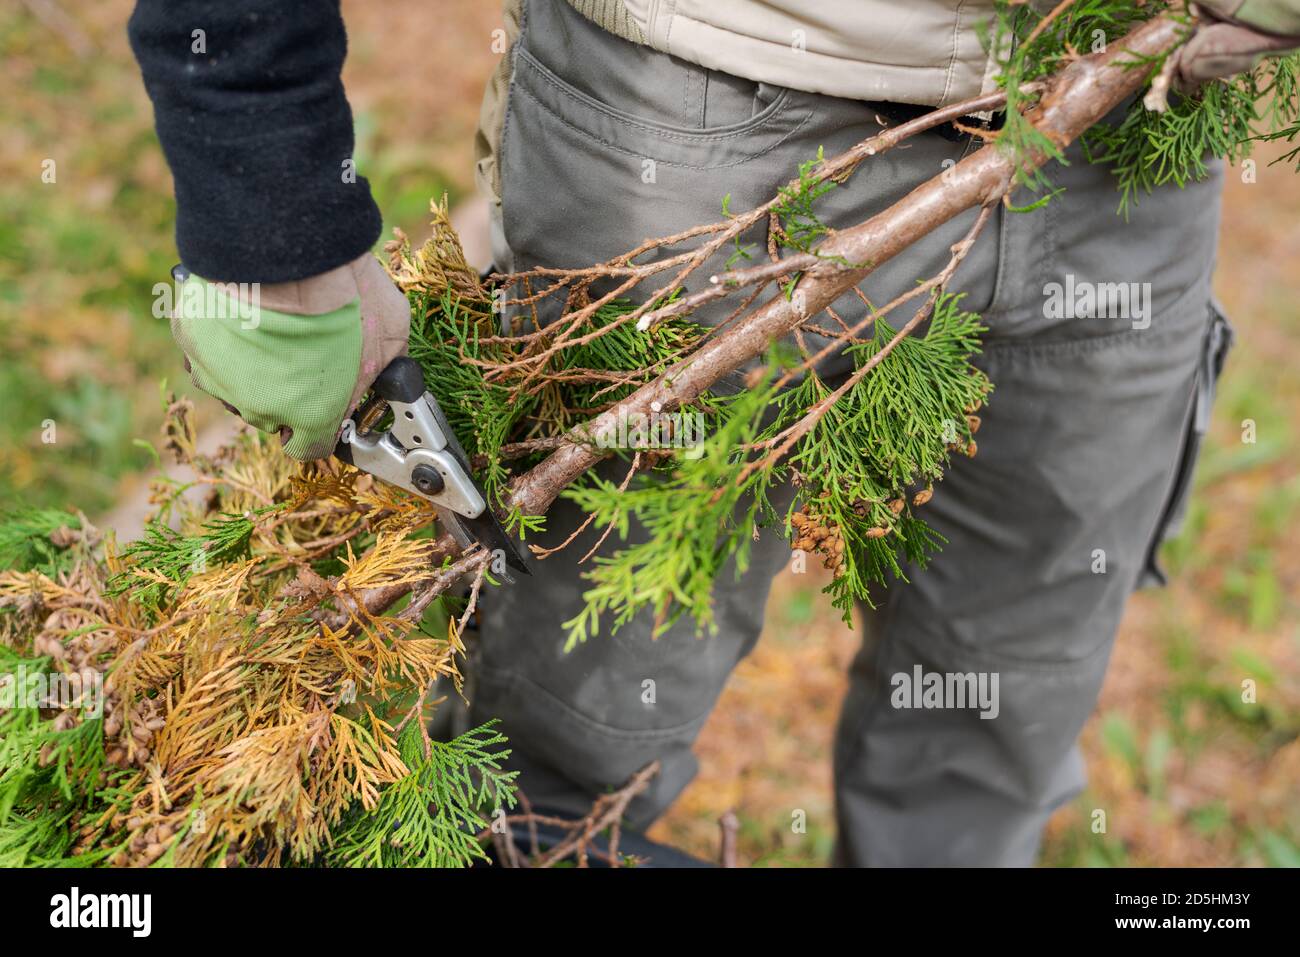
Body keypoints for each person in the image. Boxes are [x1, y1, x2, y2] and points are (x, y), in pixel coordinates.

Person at [127, 0, 1300, 865]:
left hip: (1144, 116)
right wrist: (262, 200)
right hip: (685, 108)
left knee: (1003, 709)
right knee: (557, 742)